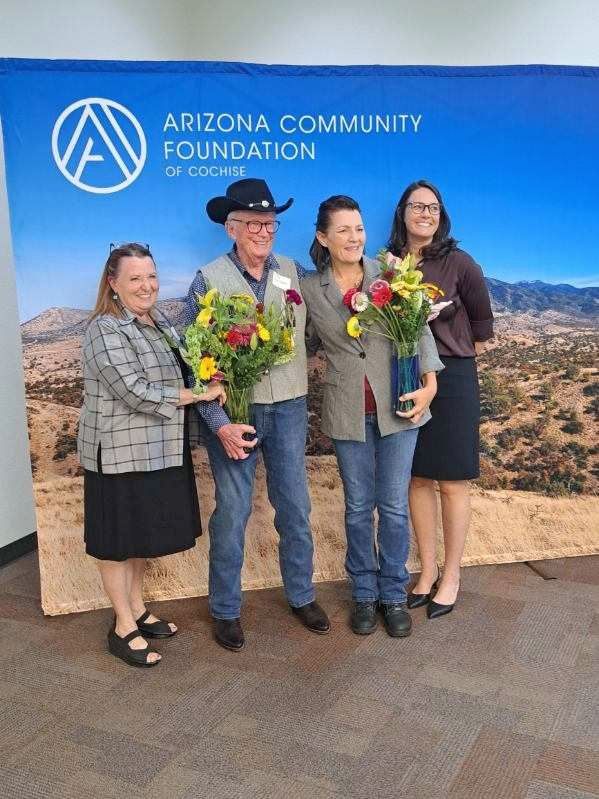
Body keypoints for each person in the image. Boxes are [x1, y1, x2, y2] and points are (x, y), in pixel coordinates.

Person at [183, 178, 330, 652]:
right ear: (232, 229)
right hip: (234, 414)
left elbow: (325, 317)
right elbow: (193, 358)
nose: (264, 232)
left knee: (295, 508)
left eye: (270, 223)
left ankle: (302, 595)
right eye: (254, 224)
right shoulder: (208, 279)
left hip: (288, 408)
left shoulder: (293, 272)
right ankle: (225, 609)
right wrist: (218, 424)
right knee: (233, 512)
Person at [302, 195, 444, 637]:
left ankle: (393, 595)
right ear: (324, 238)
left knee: (395, 508)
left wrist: (430, 386)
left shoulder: (392, 275)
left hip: (400, 408)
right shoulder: (310, 289)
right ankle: (364, 594)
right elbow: (302, 342)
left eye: (358, 228)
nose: (354, 237)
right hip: (347, 411)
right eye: (342, 230)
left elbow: (419, 329)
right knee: (359, 508)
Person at [78, 243, 225, 667]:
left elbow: (184, 372)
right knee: (117, 543)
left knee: (139, 537)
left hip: (159, 450)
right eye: (135, 278)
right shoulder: (104, 329)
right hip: (120, 455)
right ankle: (123, 626)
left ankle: (138, 608)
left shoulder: (159, 326)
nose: (147, 286)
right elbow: (134, 390)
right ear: (114, 284)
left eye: (152, 277)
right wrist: (200, 392)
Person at [387, 180, 494, 619]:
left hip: (453, 379)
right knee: (416, 478)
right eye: (417, 205)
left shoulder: (460, 263)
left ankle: (452, 575)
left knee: (451, 481)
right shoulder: (387, 264)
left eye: (432, 207)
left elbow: (484, 329)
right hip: (407, 375)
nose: (425, 213)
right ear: (403, 212)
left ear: (441, 214)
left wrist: (453, 366)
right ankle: (426, 571)